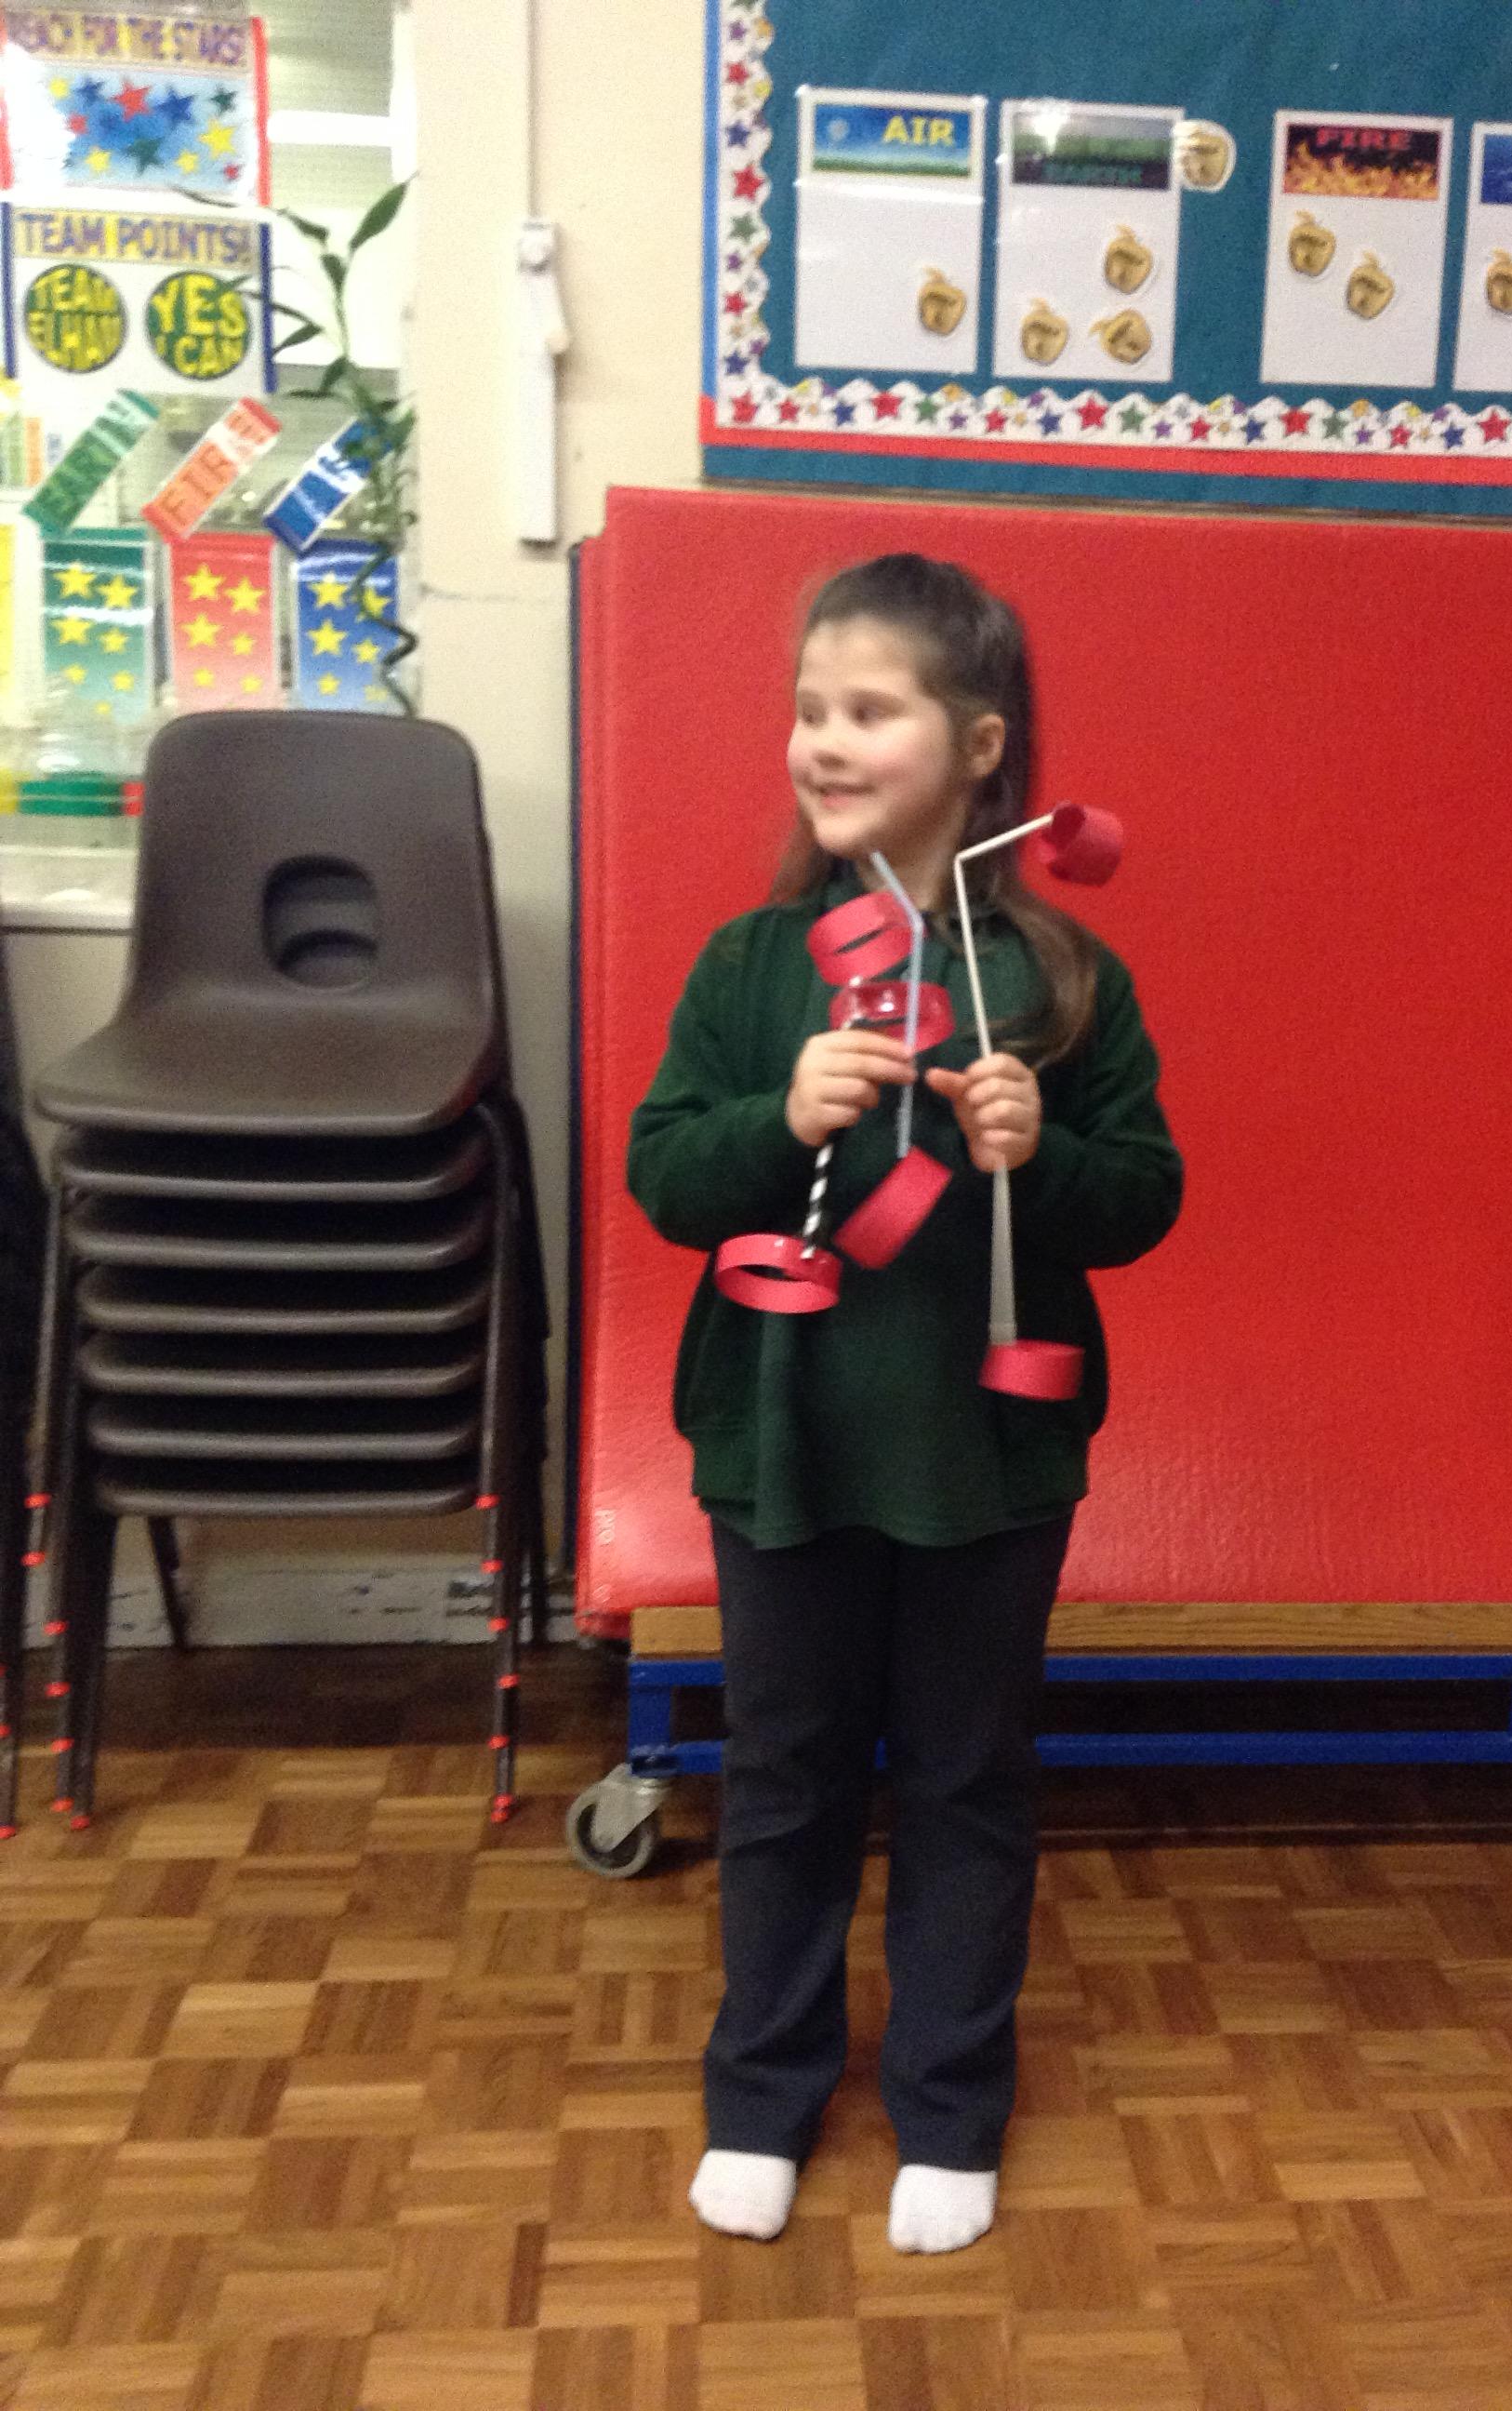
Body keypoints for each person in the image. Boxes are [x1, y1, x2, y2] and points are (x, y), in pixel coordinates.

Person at [628, 553, 1182, 2254]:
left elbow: (1144, 1199)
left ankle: (951, 2105)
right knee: (784, 1776)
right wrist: (780, 1120)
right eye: (809, 708)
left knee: (965, 1779)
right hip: (783, 1444)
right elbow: (665, 1175)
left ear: (981, 745)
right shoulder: (751, 966)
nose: (823, 739)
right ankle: (763, 2095)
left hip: (986, 1457)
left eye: (869, 709)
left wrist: (1041, 1153)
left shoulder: (1065, 980)